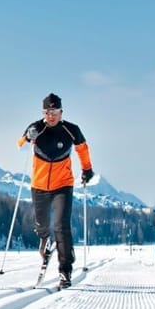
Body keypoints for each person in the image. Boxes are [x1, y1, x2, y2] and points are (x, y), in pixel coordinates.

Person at [17, 92, 94, 289]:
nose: (51, 115)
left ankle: (65, 270)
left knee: (61, 226)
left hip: (63, 185)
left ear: (61, 112)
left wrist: (87, 169)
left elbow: (82, 148)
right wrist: (27, 138)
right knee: (43, 226)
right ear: (44, 112)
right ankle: (44, 240)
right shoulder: (36, 128)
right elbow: (20, 148)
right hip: (39, 186)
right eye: (47, 112)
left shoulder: (71, 130)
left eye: (55, 111)